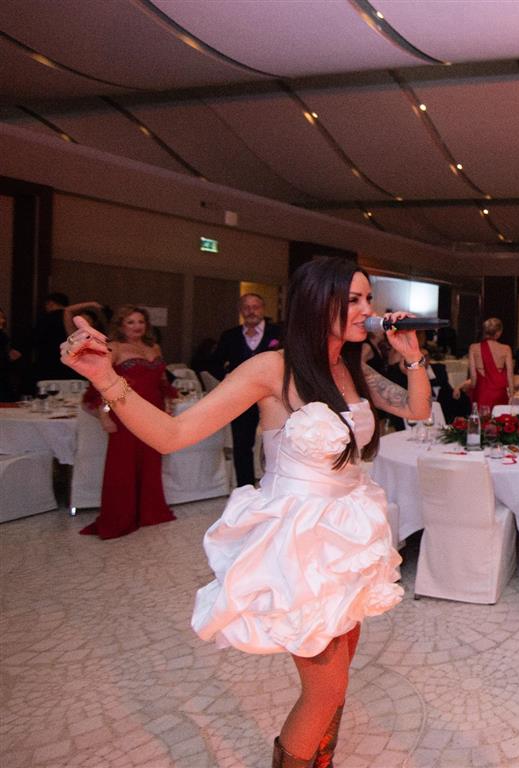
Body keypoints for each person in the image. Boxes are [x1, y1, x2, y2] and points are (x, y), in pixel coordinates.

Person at [61, 256, 430, 767]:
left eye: (368, 299)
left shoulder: (350, 366)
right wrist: (105, 378)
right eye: (353, 300)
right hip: (301, 542)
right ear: (315, 303)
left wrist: (412, 357)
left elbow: (416, 409)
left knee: (340, 674)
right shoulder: (271, 368)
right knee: (324, 687)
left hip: (348, 534)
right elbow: (173, 434)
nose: (367, 310)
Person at [76, 306, 178, 538]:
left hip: (153, 411)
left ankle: (149, 512)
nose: (137, 326)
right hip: (125, 412)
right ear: (121, 325)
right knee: (122, 465)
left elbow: (161, 380)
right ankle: (120, 517)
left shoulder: (154, 347)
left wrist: (168, 405)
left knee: (151, 461)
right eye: (131, 322)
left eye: (141, 322)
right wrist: (104, 415)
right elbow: (101, 384)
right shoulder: (114, 348)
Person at [211, 293, 283, 488]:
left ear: (263, 309)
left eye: (255, 307)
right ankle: (246, 489)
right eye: (246, 307)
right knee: (242, 445)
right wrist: (228, 379)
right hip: (242, 398)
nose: (251, 311)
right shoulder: (230, 336)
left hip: (275, 398)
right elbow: (213, 363)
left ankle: (277, 486)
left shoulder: (279, 333)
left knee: (278, 441)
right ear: (241, 311)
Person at [32, 292, 79, 384]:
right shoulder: (70, 318)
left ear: (51, 303)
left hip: (46, 359)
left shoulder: (44, 318)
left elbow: (35, 338)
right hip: (66, 356)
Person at [468, 317, 514, 410]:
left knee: (481, 417)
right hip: (500, 392)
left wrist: (470, 390)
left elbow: (473, 379)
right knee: (499, 417)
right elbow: (510, 375)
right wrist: (512, 394)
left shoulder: (473, 348)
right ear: (498, 333)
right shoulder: (506, 349)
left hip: (482, 391)